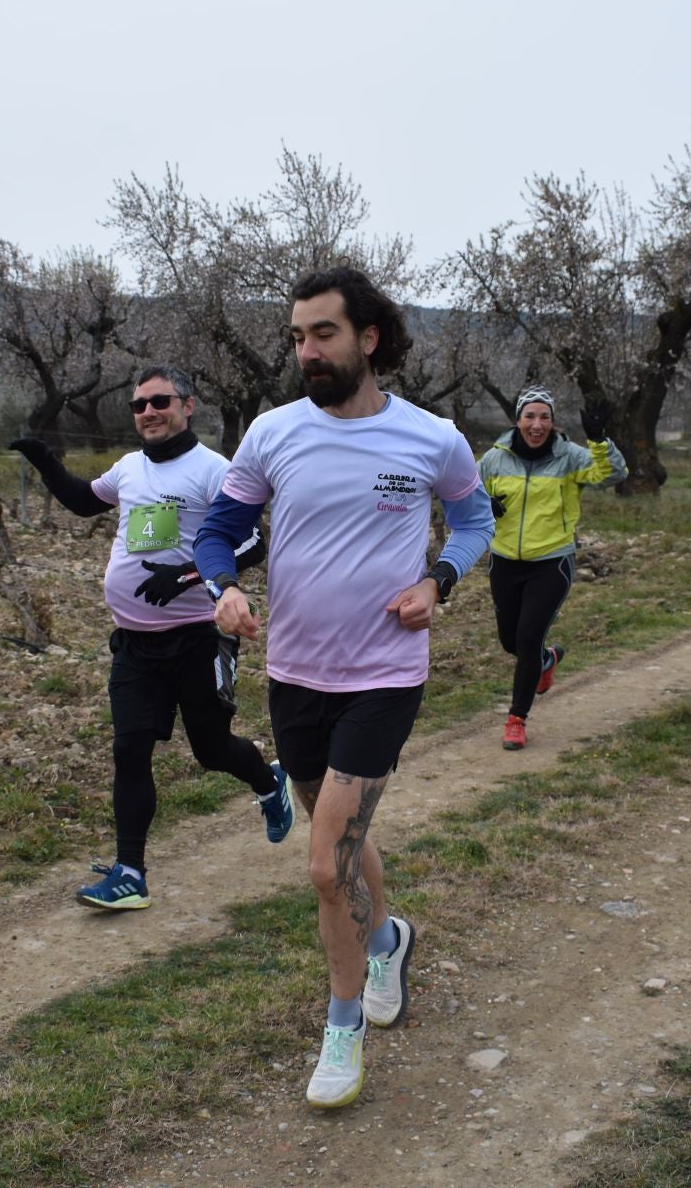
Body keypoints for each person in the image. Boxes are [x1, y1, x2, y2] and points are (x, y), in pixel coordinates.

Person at [193, 266, 495, 1109]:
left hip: (385, 676)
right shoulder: (272, 433)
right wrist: (224, 583)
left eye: (322, 334)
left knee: (325, 864)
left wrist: (439, 580)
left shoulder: (432, 439)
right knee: (344, 837)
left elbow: (475, 522)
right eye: (296, 337)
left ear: (368, 338)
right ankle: (389, 937)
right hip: (294, 674)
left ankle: (342, 1023)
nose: (306, 351)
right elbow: (221, 527)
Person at [8, 366, 293, 912]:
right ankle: (129, 872)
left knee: (211, 751)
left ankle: (267, 780)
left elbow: (254, 544)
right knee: (129, 750)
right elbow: (85, 501)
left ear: (188, 405)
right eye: (139, 405)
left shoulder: (215, 471)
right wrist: (44, 459)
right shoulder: (129, 468)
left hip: (197, 639)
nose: (148, 412)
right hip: (135, 643)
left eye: (159, 401)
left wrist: (185, 575)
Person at [476, 386, 627, 750]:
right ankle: (546, 660)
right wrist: (484, 506)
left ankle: (516, 719)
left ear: (553, 421)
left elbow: (613, 476)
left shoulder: (570, 457)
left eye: (544, 416)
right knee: (511, 642)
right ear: (518, 420)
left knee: (527, 637)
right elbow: (467, 492)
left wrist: (600, 440)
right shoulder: (495, 459)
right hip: (504, 561)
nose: (537, 424)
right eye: (530, 416)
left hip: (552, 562)